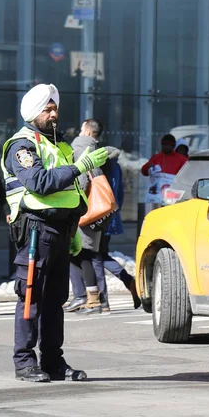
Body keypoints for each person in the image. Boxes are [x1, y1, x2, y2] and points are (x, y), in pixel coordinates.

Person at [1, 83, 108, 382]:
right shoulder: (21, 145)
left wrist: (74, 228)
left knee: (55, 301)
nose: (53, 113)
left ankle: (53, 361)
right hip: (36, 230)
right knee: (31, 298)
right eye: (47, 109)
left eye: (54, 108)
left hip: (61, 231)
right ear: (34, 113)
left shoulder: (59, 146)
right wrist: (80, 166)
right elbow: (39, 182)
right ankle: (24, 362)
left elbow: (70, 192)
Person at [69, 119, 119, 315]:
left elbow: (81, 179)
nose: (79, 133)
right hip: (98, 210)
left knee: (83, 254)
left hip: (85, 210)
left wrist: (75, 206)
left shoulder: (81, 146)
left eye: (81, 129)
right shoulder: (101, 150)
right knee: (83, 254)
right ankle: (89, 298)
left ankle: (92, 300)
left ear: (88, 132)